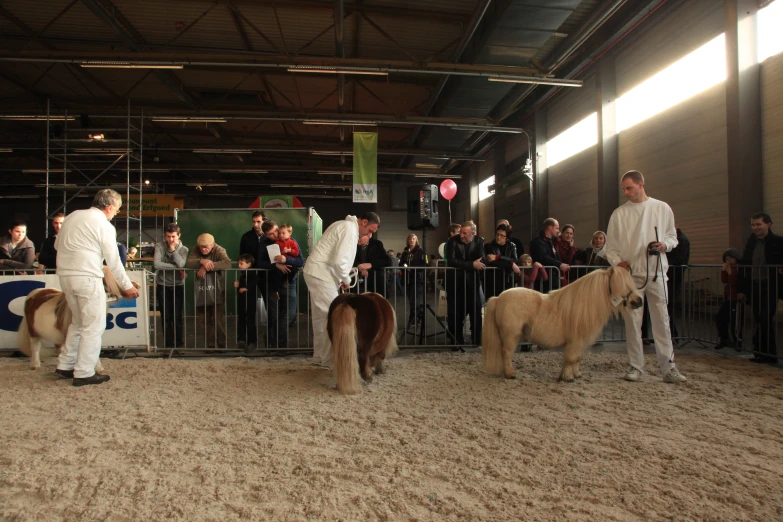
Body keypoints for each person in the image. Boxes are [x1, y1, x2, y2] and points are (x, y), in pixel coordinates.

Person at [605, 170, 687, 383]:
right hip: (631, 277)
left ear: (641, 185)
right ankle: (635, 366)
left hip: (657, 274)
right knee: (633, 322)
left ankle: (669, 368)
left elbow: (672, 237)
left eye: (629, 188)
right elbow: (611, 248)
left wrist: (664, 245)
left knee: (662, 321)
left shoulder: (662, 208)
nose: (626, 192)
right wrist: (617, 262)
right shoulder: (619, 214)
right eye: (623, 189)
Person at [54, 189, 139, 386]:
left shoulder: (73, 216)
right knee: (94, 326)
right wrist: (126, 286)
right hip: (87, 278)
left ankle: (66, 365)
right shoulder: (104, 225)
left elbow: (58, 245)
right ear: (109, 207)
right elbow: (114, 261)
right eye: (116, 211)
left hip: (65, 276)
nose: (114, 214)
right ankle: (84, 372)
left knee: (78, 322)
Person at [303, 212, 380, 368]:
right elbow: (340, 261)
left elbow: (336, 260)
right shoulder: (350, 230)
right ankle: (328, 360)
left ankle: (319, 357)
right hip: (321, 274)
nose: (370, 235)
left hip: (317, 272)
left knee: (320, 318)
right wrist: (346, 279)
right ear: (364, 222)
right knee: (332, 317)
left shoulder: (342, 225)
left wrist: (341, 278)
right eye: (370, 231)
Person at [737, 212, 783, 364]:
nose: (755, 227)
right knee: (758, 318)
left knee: (765, 318)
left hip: (770, 285)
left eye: (758, 224)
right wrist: (741, 289)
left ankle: (770, 355)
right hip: (754, 285)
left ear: (768, 224)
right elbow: (745, 266)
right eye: (753, 224)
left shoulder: (778, 242)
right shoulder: (751, 243)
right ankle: (760, 353)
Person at [258, 220, 304, 349]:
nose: (276, 235)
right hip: (272, 282)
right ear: (266, 235)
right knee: (273, 314)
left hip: (289, 281)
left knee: (289, 313)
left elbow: (300, 261)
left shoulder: (291, 240)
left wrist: (286, 259)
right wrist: (275, 265)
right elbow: (260, 262)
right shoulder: (264, 242)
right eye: (271, 234)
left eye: (276, 231)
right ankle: (278, 345)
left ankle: (274, 338)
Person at [186, 233, 232, 350]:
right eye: (201, 246)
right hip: (202, 290)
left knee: (218, 320)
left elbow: (227, 263)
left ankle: (222, 345)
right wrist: (202, 261)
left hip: (218, 290)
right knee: (204, 320)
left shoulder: (220, 250)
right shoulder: (195, 249)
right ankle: (210, 346)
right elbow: (189, 263)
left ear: (213, 245)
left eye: (206, 246)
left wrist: (206, 266)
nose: (203, 248)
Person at [445, 220, 486, 346]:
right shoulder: (452, 241)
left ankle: (477, 340)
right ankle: (456, 341)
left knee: (476, 313)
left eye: (465, 233)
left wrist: (467, 265)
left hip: (472, 283)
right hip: (455, 283)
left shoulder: (479, 241)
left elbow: (482, 258)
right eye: (461, 232)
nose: (461, 235)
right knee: (455, 314)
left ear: (473, 233)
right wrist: (471, 264)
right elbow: (451, 261)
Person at [153, 223, 188, 349]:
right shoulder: (159, 246)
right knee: (165, 317)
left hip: (178, 285)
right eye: (168, 236)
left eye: (173, 236)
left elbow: (182, 263)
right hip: (163, 285)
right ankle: (168, 346)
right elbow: (157, 264)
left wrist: (173, 250)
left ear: (179, 235)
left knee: (177, 317)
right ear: (164, 235)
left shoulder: (184, 249)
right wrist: (176, 268)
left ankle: (179, 346)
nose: (170, 240)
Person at [716, 248, 744, 351]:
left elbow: (733, 282)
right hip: (728, 296)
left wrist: (730, 272)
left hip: (735, 297)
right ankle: (724, 339)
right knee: (720, 318)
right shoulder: (729, 267)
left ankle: (738, 342)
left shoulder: (738, 268)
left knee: (735, 322)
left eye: (731, 258)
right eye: (727, 258)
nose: (729, 260)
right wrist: (724, 271)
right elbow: (724, 280)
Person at [529, 218, 567, 292]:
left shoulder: (553, 241)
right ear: (550, 228)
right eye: (557, 228)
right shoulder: (537, 241)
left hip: (554, 278)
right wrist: (559, 265)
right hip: (544, 279)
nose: (558, 231)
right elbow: (543, 257)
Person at [484, 223, 520, 299]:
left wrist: (497, 257)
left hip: (508, 279)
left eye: (501, 235)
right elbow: (492, 262)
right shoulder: (489, 246)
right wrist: (510, 264)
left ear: (507, 238)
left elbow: (515, 260)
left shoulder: (512, 246)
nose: (498, 237)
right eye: (497, 234)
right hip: (493, 280)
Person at [400, 233, 427, 323]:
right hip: (407, 278)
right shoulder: (405, 252)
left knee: (414, 299)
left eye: (414, 239)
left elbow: (424, 264)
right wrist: (404, 265)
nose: (411, 240)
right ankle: (419, 315)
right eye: (410, 239)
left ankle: (413, 318)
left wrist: (412, 268)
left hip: (416, 278)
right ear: (408, 241)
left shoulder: (421, 251)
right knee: (410, 299)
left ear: (416, 240)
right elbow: (401, 263)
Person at [234, 253, 258, 353]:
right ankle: (241, 340)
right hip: (242, 302)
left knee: (250, 321)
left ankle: (251, 342)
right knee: (242, 319)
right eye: (239, 263)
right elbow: (240, 290)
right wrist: (238, 288)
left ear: (249, 264)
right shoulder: (242, 276)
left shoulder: (252, 274)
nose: (239, 265)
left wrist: (245, 288)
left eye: (241, 263)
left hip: (250, 301)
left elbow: (255, 282)